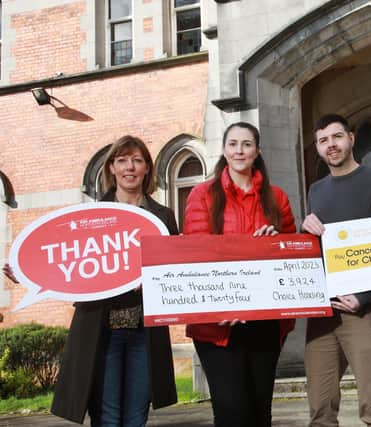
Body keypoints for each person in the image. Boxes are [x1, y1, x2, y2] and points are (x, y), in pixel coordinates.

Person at [48, 135, 178, 425]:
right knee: (107, 417)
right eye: (122, 160)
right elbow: (65, 261)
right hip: (101, 331)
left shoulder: (164, 217)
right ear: (111, 168)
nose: (129, 167)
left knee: (135, 418)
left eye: (137, 160)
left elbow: (175, 274)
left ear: (147, 168)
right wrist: (26, 271)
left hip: (144, 333)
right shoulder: (89, 217)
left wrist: (154, 280)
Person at [183, 122, 296, 427]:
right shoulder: (202, 194)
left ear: (257, 151)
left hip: (265, 321)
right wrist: (224, 303)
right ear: (223, 150)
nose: (239, 151)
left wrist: (274, 243)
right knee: (232, 411)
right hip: (218, 324)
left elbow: (293, 255)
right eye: (233, 144)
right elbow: (197, 253)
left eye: (247, 144)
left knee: (260, 412)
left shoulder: (277, 198)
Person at [302, 113, 371, 427]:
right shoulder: (316, 190)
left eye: (336, 137)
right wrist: (306, 229)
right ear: (317, 147)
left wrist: (366, 296)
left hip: (362, 309)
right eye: (323, 140)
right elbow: (317, 250)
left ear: (351, 139)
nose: (331, 145)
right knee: (320, 407)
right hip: (322, 311)